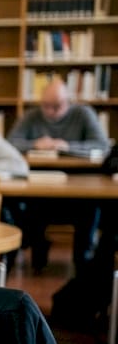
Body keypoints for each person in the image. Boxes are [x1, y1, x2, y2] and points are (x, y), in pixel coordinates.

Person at [7, 77, 107, 271]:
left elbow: (102, 145)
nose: (51, 111)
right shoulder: (31, 116)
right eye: (46, 106)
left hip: (80, 188)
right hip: (40, 187)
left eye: (57, 106)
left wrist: (67, 146)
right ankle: (37, 250)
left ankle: (83, 262)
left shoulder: (83, 114)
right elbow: (10, 143)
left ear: (69, 101)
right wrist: (34, 144)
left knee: (92, 207)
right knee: (18, 204)